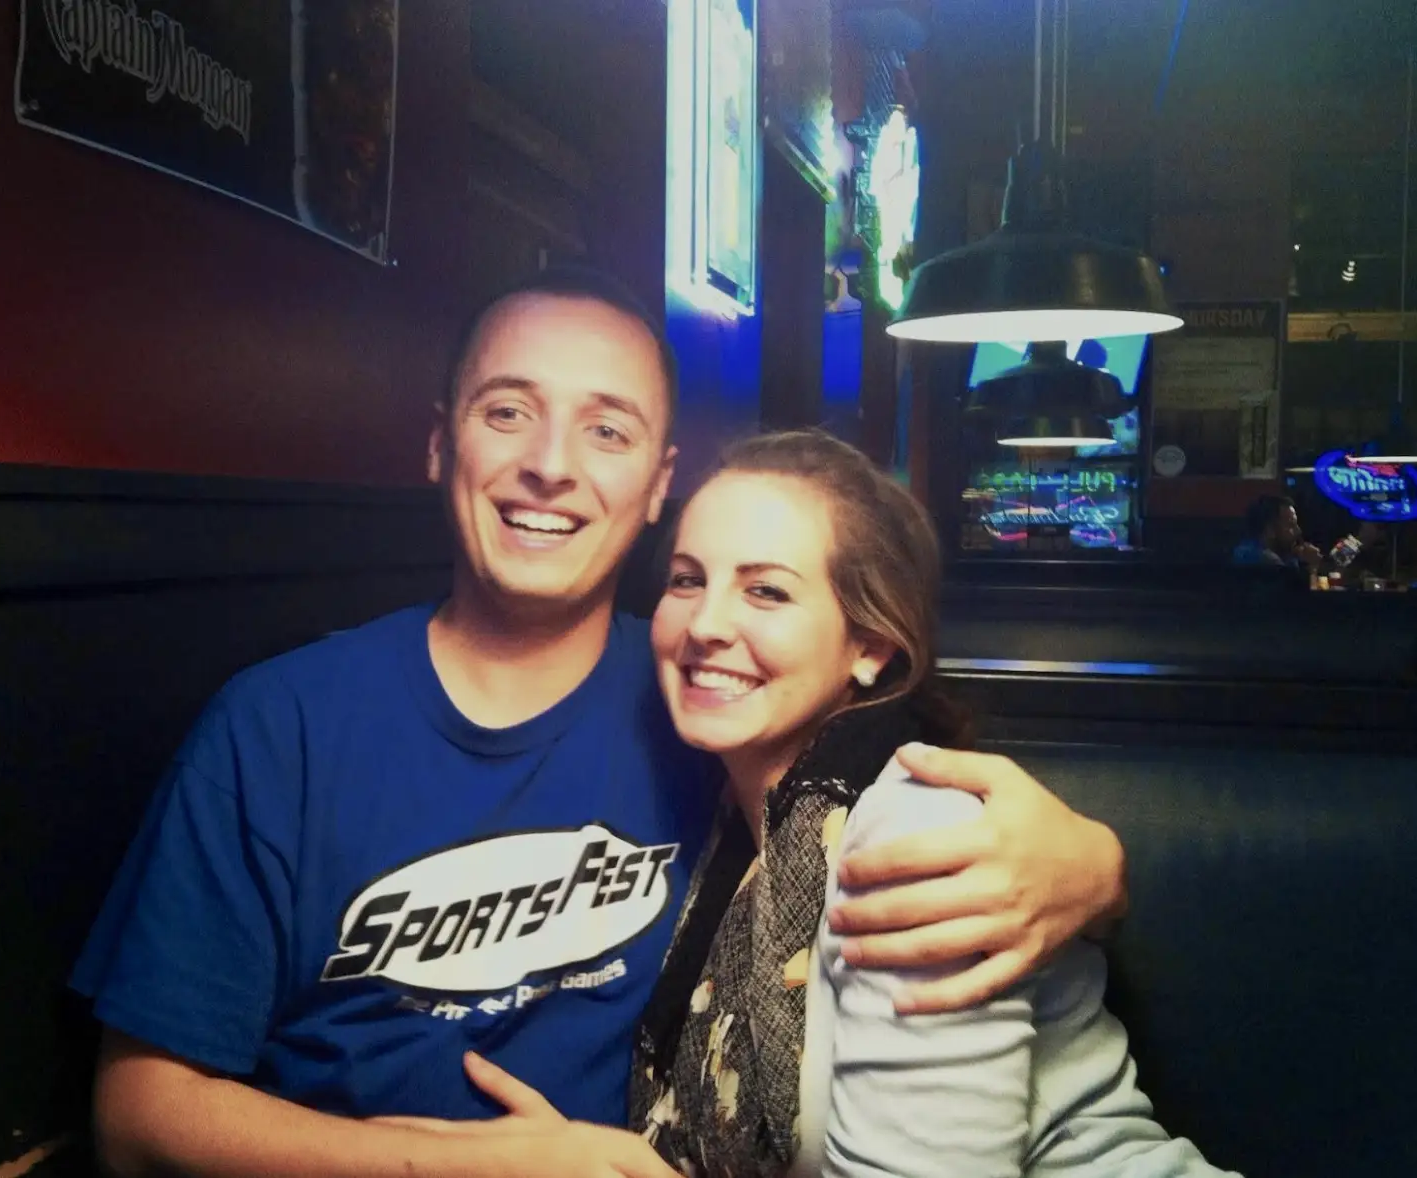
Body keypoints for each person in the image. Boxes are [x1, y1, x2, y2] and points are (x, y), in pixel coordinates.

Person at [71, 269, 1131, 1178]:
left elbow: (901, 799)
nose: (550, 464)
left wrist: (1091, 864)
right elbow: (136, 1114)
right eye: (505, 411)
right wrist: (467, 1164)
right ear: (440, 448)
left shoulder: (709, 701)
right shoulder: (278, 725)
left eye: (607, 428)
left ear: (660, 481)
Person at [605, 428, 1231, 1177]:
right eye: (685, 580)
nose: (705, 624)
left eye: (765, 590)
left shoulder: (913, 837)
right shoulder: (729, 820)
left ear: (869, 646)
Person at [1231, 494, 1321, 573]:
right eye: (1291, 525)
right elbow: (1294, 590)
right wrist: (1311, 565)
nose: (1298, 531)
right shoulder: (1266, 560)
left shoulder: (1247, 550)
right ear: (1270, 530)